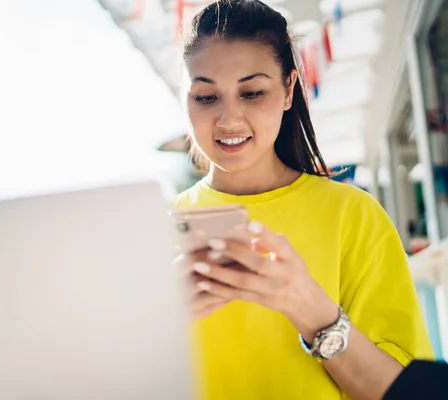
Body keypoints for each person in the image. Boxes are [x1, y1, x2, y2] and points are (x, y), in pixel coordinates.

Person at [173, 1, 435, 399]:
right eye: (206, 97)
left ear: (288, 90)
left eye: (253, 92)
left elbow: (409, 392)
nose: (228, 119)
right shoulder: (158, 230)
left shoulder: (353, 215)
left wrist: (313, 313)